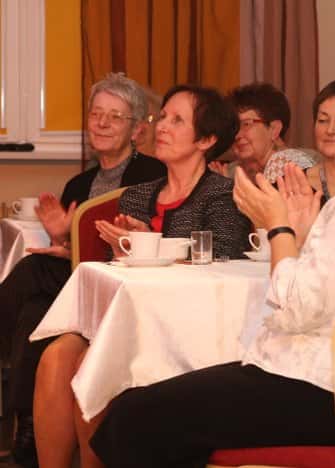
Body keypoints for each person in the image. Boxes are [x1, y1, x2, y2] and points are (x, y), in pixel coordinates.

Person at [88, 51, 335, 468]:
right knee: (157, 401)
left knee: (136, 415)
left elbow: (294, 310)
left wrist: (278, 228)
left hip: (326, 386)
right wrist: (300, 234)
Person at [33, 84, 251, 468]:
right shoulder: (136, 196)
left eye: (177, 120)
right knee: (55, 356)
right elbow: (116, 274)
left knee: (90, 364)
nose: (161, 126)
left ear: (206, 140)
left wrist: (153, 246)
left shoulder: (222, 196)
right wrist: (125, 253)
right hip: (125, 320)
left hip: (184, 327)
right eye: (162, 116)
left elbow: (222, 262)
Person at [0, 73, 166, 468]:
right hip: (77, 280)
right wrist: (64, 238)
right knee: (34, 312)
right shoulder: (80, 183)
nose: (102, 123)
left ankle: (25, 424)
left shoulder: (150, 177)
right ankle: (28, 424)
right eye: (96, 114)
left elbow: (143, 239)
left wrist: (71, 248)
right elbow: (76, 247)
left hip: (118, 283)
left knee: (34, 269)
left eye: (115, 116)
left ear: (137, 130)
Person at [209, 82, 315, 182]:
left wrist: (228, 190)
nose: (237, 135)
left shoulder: (289, 163)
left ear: (274, 129)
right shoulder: (232, 170)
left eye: (246, 124)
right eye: (234, 127)